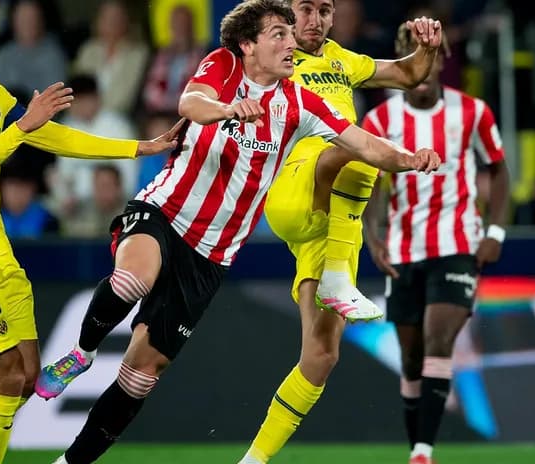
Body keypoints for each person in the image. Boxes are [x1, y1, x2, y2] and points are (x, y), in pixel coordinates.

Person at [35, 1, 442, 463]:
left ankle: (69, 462)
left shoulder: (300, 102)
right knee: (132, 279)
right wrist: (230, 108)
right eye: (279, 35)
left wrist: (406, 158)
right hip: (166, 211)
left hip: (212, 253)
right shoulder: (223, 63)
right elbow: (191, 102)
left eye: (292, 35)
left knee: (141, 375)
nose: (292, 43)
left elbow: (361, 142)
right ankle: (82, 352)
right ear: (249, 45)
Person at [0, 2, 182, 463]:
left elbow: (51, 136)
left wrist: (137, 147)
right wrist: (21, 128)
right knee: (6, 378)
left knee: (27, 378)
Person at [239, 1, 443, 462]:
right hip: (290, 184)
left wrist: (426, 48)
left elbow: (408, 75)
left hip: (330, 222)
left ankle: (254, 458)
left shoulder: (342, 60)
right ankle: (337, 277)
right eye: (304, 9)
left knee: (321, 356)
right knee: (353, 144)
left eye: (324, 10)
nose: (314, 20)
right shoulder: (274, 53)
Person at [359, 23, 510, 464]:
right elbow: (371, 181)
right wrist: (374, 234)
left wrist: (495, 231)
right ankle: (417, 446)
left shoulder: (473, 113)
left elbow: (499, 169)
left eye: (430, 55)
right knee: (410, 357)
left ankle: (423, 452)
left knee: (439, 337)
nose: (422, 67)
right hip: (405, 249)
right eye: (412, 57)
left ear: (443, 58)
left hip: (458, 242)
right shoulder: (380, 120)